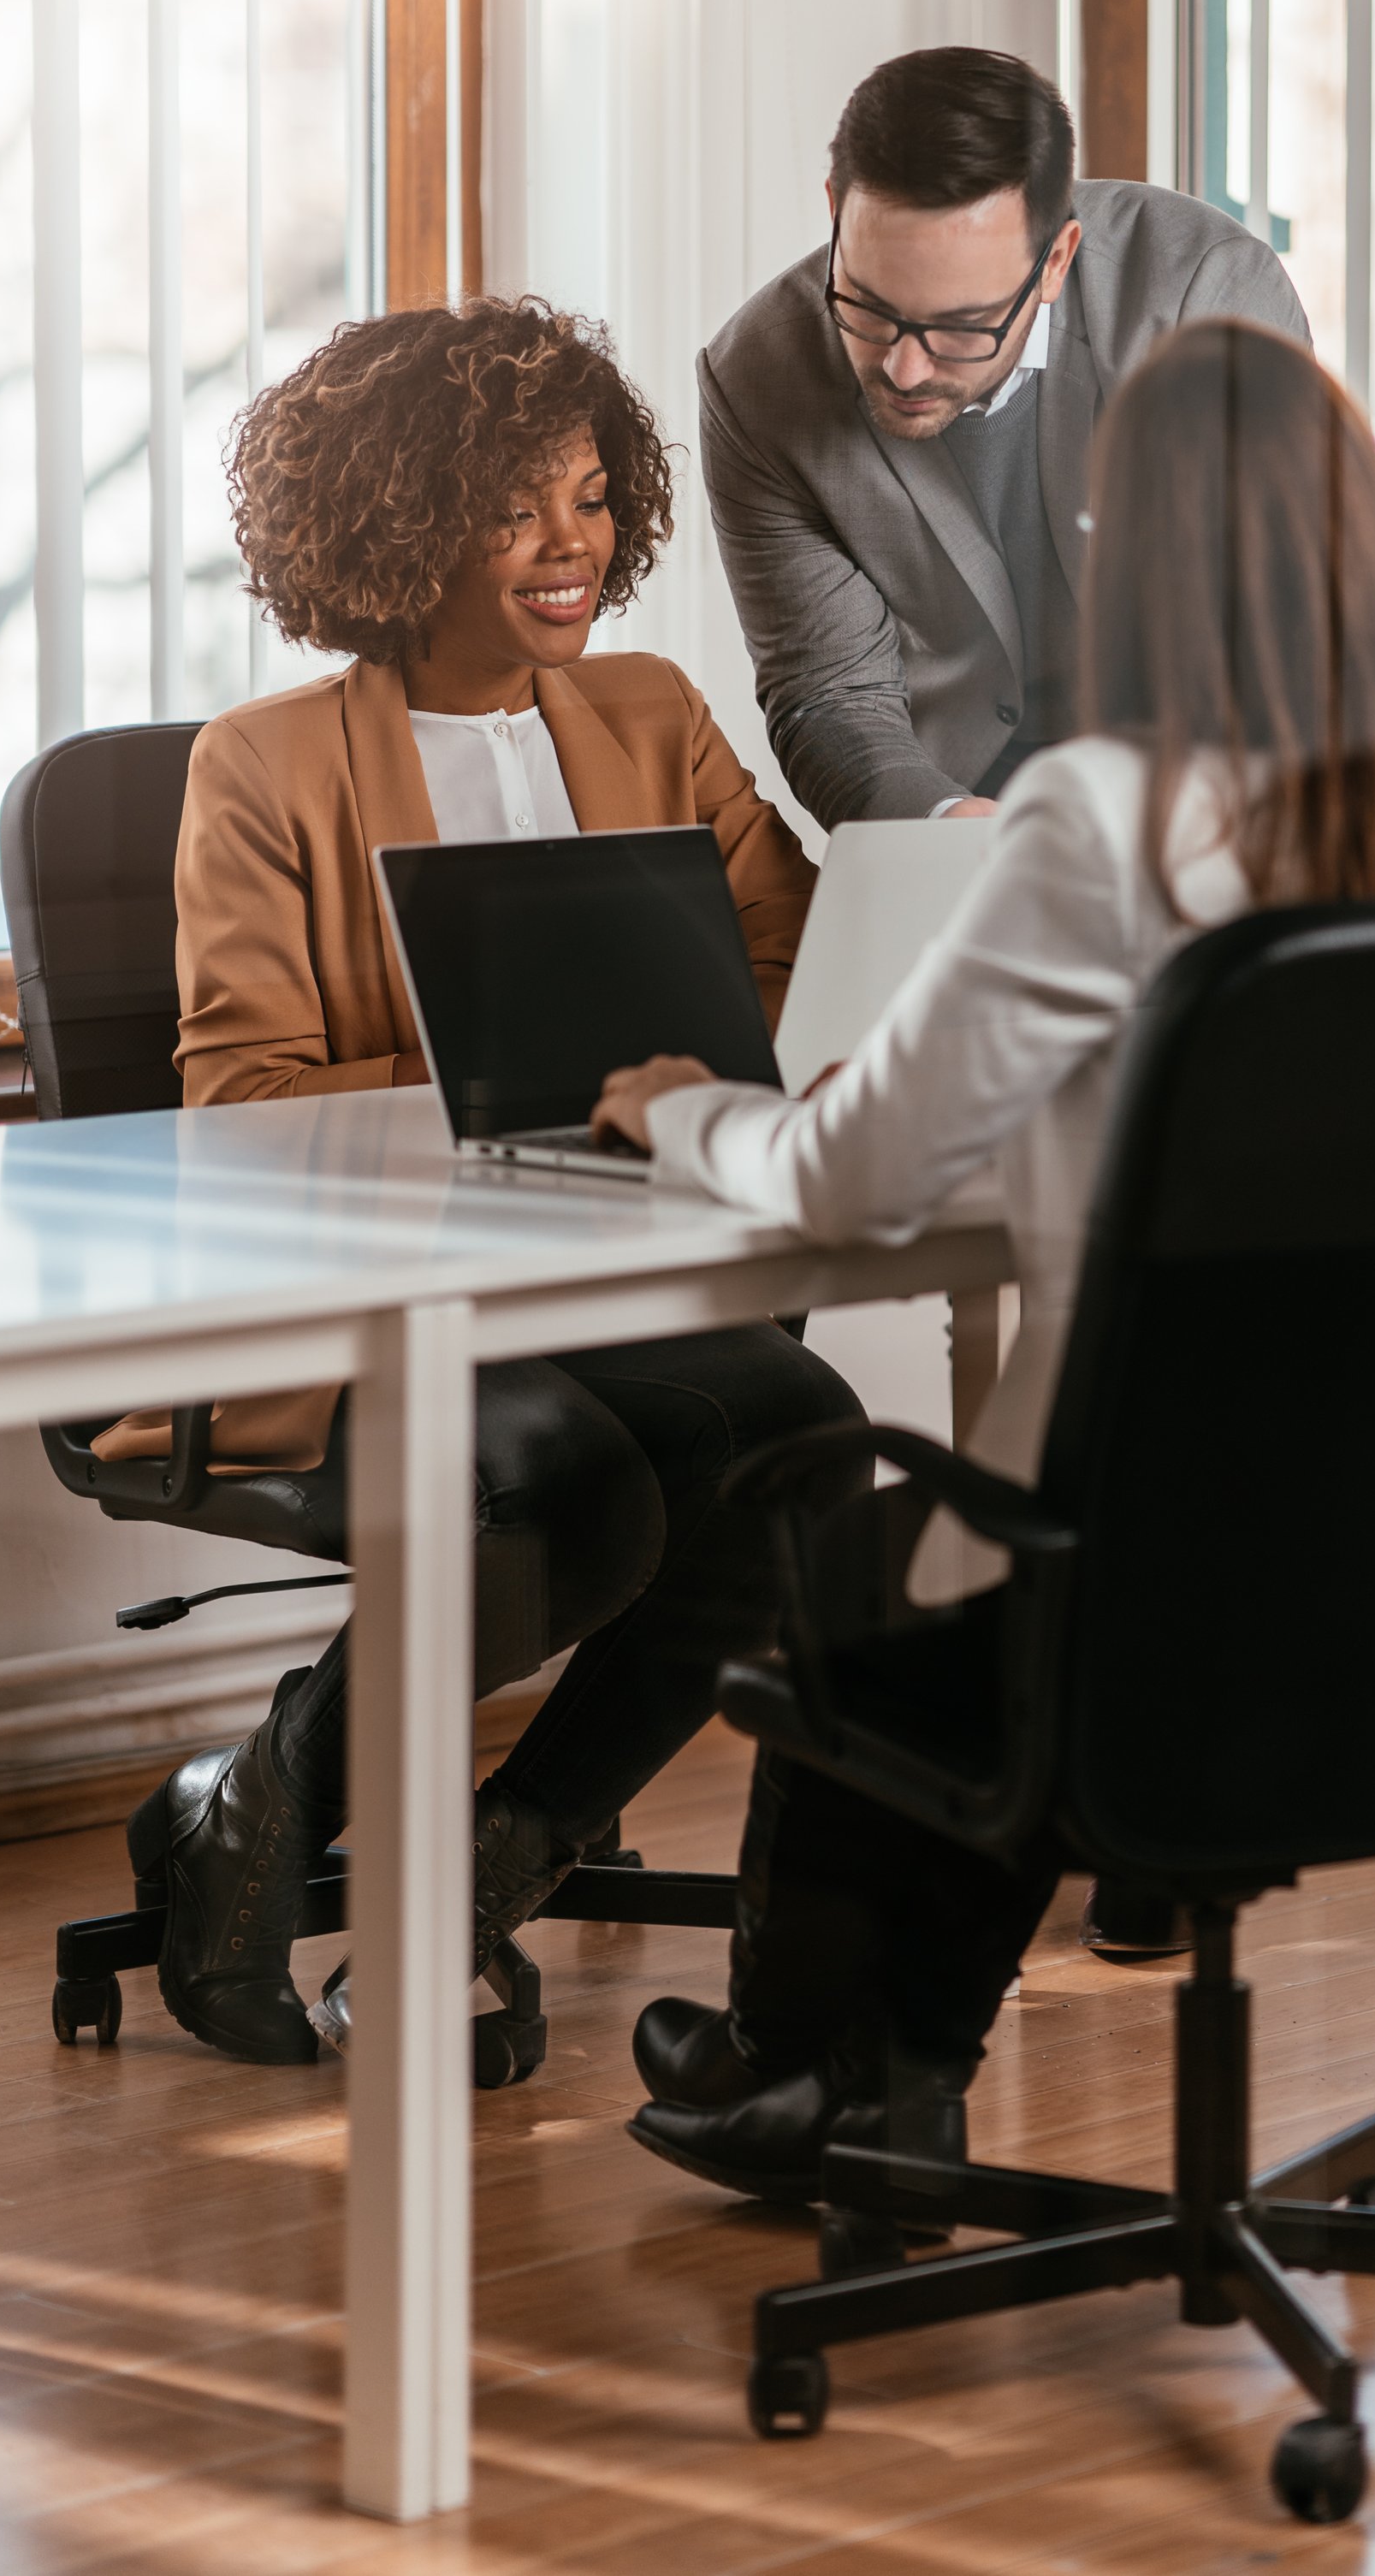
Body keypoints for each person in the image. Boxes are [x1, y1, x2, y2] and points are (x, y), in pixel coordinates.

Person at [589, 320, 1375, 2199]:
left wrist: (687, 1110)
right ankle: (880, 2070)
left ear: (1140, 547)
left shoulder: (1106, 811)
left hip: (1155, 1576)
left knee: (871, 1557)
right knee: (994, 1581)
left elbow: (844, 1184)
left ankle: (817, 2070)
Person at [120, 295, 862, 2068]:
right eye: (513, 507)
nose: (568, 549)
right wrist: (539, 1078)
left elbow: (794, 964)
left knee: (808, 1452)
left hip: (619, 1270)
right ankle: (263, 1791)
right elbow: (246, 1095)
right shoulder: (268, 766)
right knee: (580, 1493)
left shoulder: (652, 711)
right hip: (374, 1296)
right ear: (391, 527)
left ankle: (480, 1866)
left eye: (594, 501)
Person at [699, 44, 1310, 832]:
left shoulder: (1207, 301)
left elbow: (1266, 634)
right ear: (834, 211)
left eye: (961, 327)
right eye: (868, 306)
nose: (905, 368)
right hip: (945, 802)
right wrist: (948, 826)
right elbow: (829, 694)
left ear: (1055, 260)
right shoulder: (756, 379)